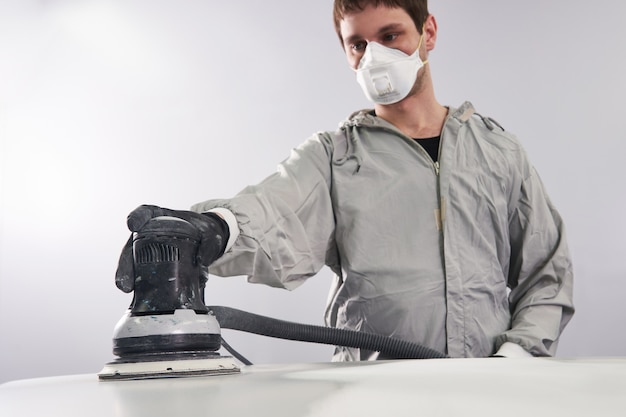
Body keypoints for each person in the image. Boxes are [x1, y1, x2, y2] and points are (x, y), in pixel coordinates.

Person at [117, 0, 574, 359]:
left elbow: (546, 271)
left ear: (427, 33)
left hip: (486, 391)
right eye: (358, 44)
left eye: (390, 36)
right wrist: (215, 228)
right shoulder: (335, 157)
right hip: (374, 394)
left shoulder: (497, 152)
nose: (374, 56)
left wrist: (516, 355)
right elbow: (275, 210)